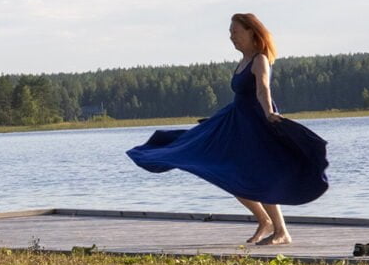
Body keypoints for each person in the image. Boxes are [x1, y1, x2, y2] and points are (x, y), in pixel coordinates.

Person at [125, 13, 328, 245]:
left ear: (251, 31)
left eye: (236, 32)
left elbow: (262, 90)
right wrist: (215, 121)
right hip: (237, 123)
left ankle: (281, 231)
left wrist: (269, 114)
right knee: (231, 175)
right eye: (230, 33)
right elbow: (241, 98)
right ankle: (265, 221)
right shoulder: (243, 61)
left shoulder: (260, 59)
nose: (232, 37)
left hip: (257, 125)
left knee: (259, 177)